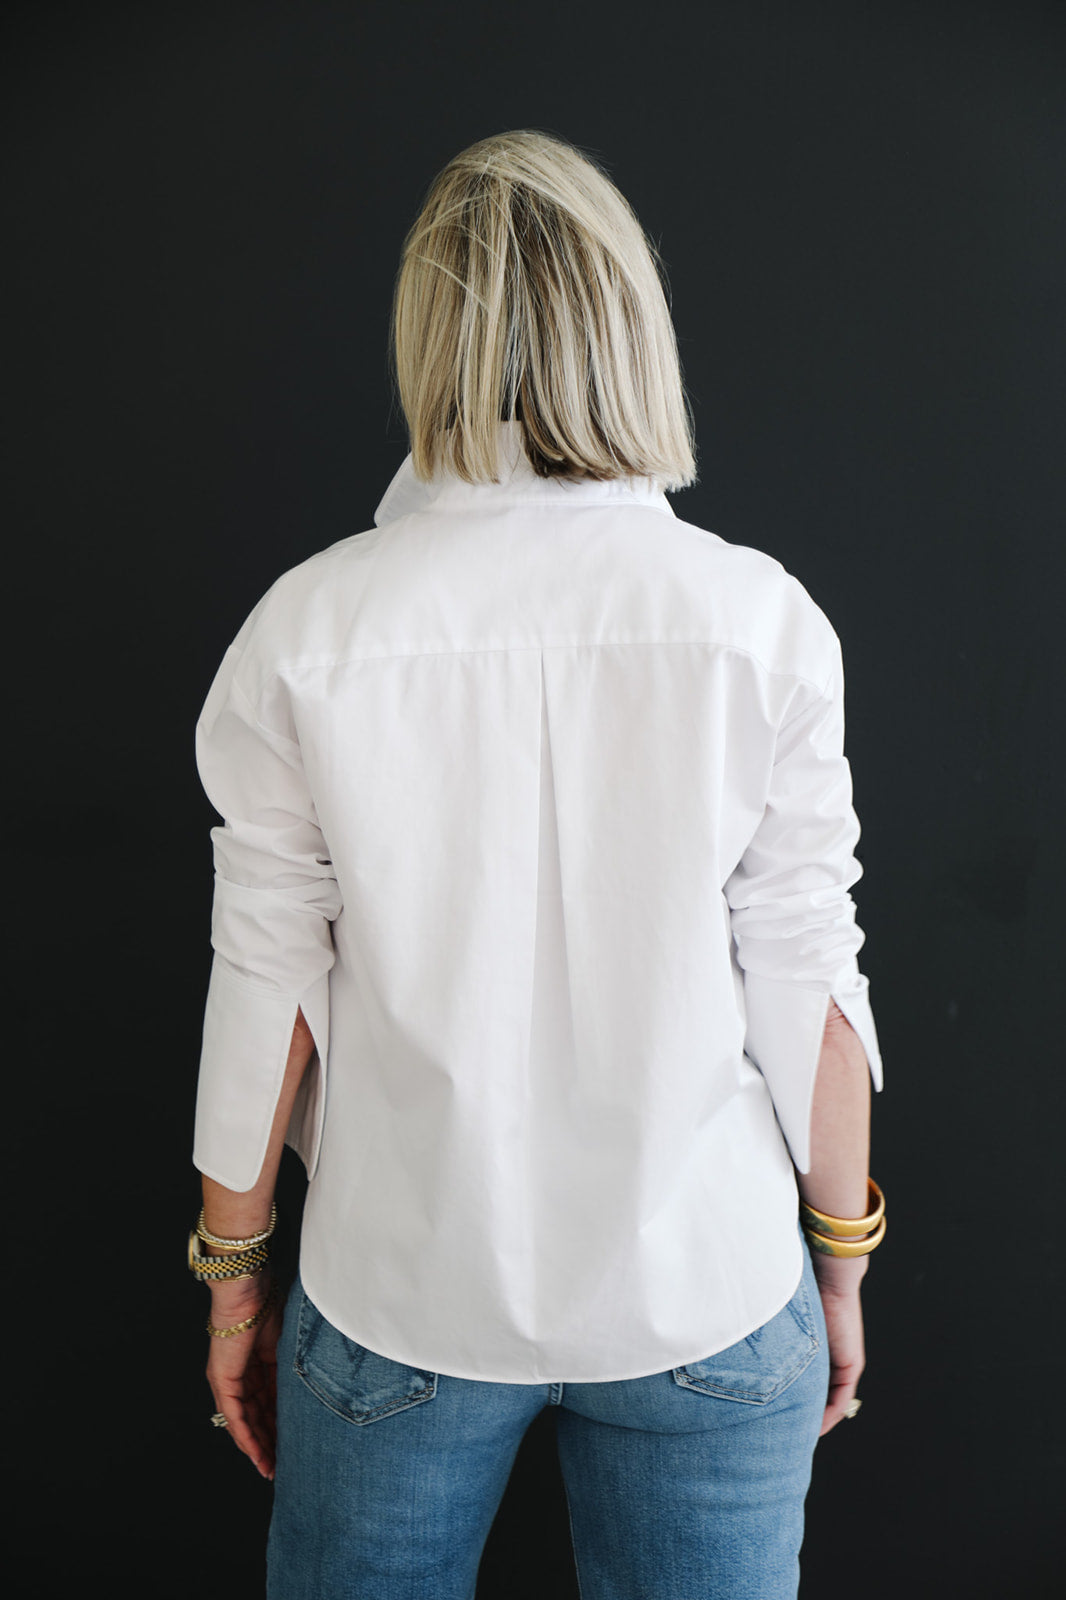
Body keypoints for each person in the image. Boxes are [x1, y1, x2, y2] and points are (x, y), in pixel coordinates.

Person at [188, 128, 885, 1600]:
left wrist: (233, 1282)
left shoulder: (305, 631)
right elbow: (808, 976)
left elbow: (268, 991)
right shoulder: (757, 622)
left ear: (428, 340)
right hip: (704, 1291)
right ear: (630, 332)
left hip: (399, 1295)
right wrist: (842, 1258)